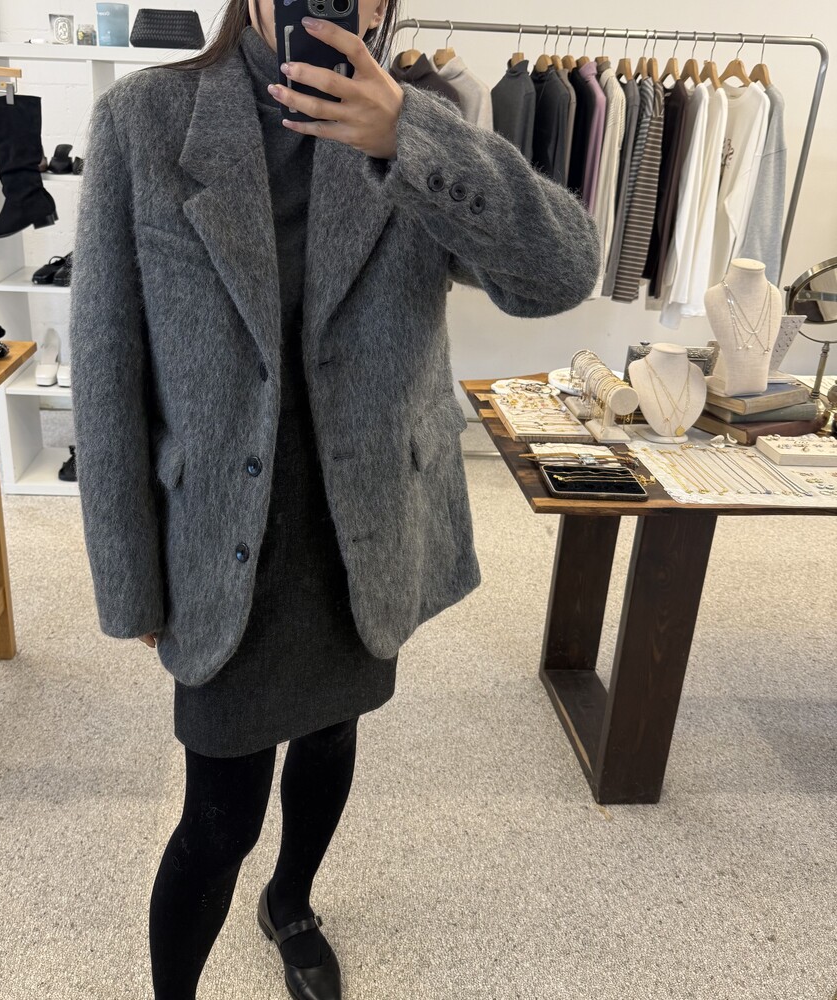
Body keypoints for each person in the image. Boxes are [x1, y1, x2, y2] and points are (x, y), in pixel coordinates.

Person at [68, 0, 600, 996]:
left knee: (331, 736)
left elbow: (562, 275)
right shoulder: (146, 118)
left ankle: (293, 901)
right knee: (217, 815)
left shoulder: (423, 118)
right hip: (225, 537)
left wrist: (411, 138)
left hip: (363, 524)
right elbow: (104, 366)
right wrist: (129, 575)